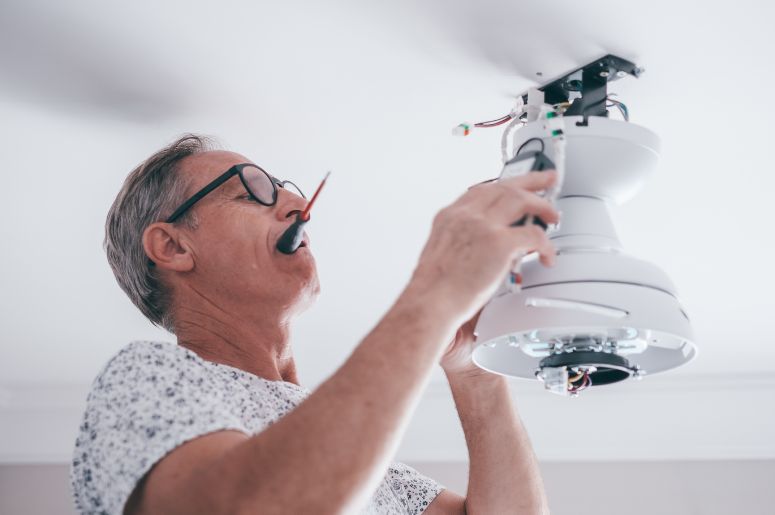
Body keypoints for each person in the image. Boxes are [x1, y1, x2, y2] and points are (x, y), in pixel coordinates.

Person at [71, 134, 559, 515]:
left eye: (286, 190)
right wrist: (436, 290)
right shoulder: (145, 377)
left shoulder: (353, 456)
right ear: (174, 247)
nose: (295, 206)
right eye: (252, 191)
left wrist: (472, 371)